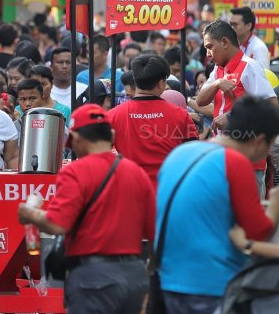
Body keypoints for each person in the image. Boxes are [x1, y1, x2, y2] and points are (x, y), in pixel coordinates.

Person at [17, 104, 154, 313]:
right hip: (134, 277)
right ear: (112, 135)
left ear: (77, 139)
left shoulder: (75, 172)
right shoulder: (136, 172)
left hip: (93, 278)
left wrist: (30, 213)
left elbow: (56, 223)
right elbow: (155, 230)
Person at [156, 96, 279, 313]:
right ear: (259, 140)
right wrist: (275, 206)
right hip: (212, 284)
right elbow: (258, 232)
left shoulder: (181, 152)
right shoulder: (235, 163)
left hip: (168, 280)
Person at [196, 20, 278, 198]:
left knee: (251, 220)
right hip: (221, 158)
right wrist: (217, 83)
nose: (207, 53)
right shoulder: (217, 70)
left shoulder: (250, 66)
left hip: (248, 160)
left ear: (225, 42)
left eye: (210, 47)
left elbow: (272, 107)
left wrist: (232, 116)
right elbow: (201, 100)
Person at [109, 54, 198, 186]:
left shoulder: (113, 115)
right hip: (169, 191)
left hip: (130, 190)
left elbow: (98, 157)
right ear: (162, 83)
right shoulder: (181, 115)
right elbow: (193, 157)